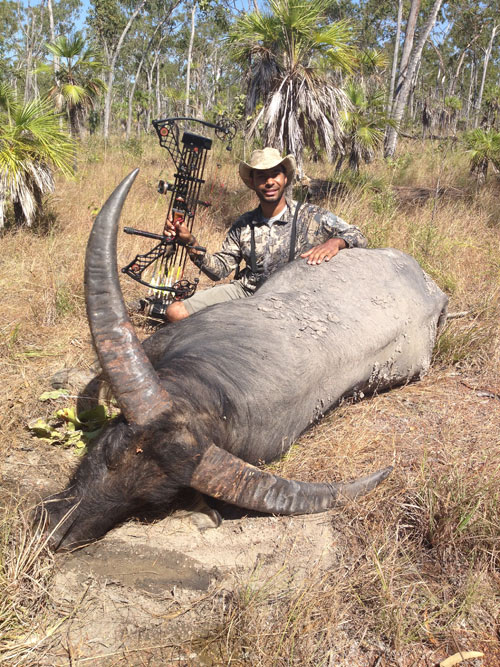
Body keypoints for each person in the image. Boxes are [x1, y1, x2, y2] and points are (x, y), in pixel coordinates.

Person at [163, 147, 367, 322]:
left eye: (275, 174)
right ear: (252, 182)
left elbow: (357, 235)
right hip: (247, 293)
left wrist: (336, 242)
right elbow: (219, 270)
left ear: (285, 178)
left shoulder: (311, 215)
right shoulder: (244, 224)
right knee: (175, 312)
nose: (269, 182)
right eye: (261, 175)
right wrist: (190, 242)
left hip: (292, 298)